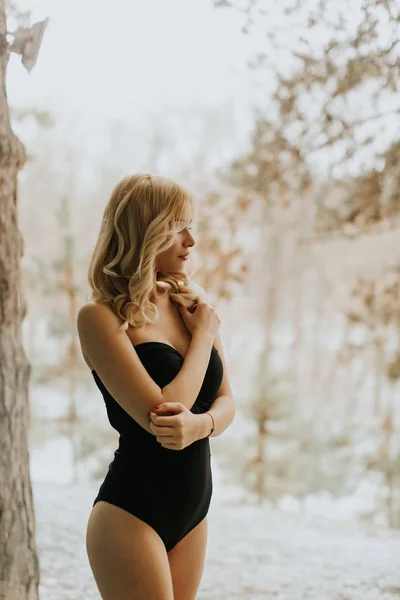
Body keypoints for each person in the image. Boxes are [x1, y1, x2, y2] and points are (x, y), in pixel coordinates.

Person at [77, 173, 235, 600]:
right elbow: (167, 411)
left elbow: (227, 401)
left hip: (193, 509)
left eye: (192, 226)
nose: (192, 240)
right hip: (132, 510)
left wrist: (201, 427)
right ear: (145, 232)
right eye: (179, 226)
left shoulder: (190, 301)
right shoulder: (100, 318)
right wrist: (202, 336)